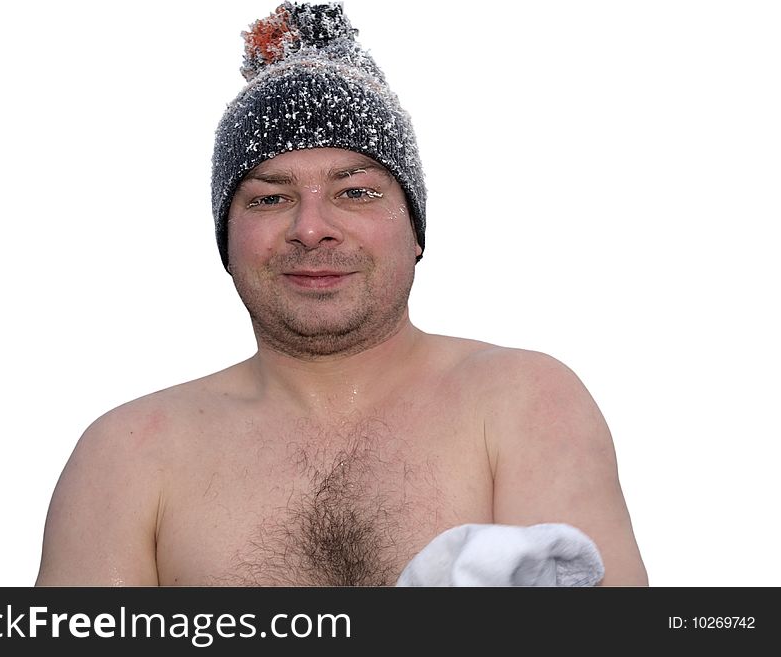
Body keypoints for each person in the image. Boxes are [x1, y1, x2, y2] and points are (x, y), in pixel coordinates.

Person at [35, 2, 647, 586]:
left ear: (415, 232)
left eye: (355, 191)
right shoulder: (130, 456)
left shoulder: (523, 402)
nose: (309, 227)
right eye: (270, 197)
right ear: (227, 241)